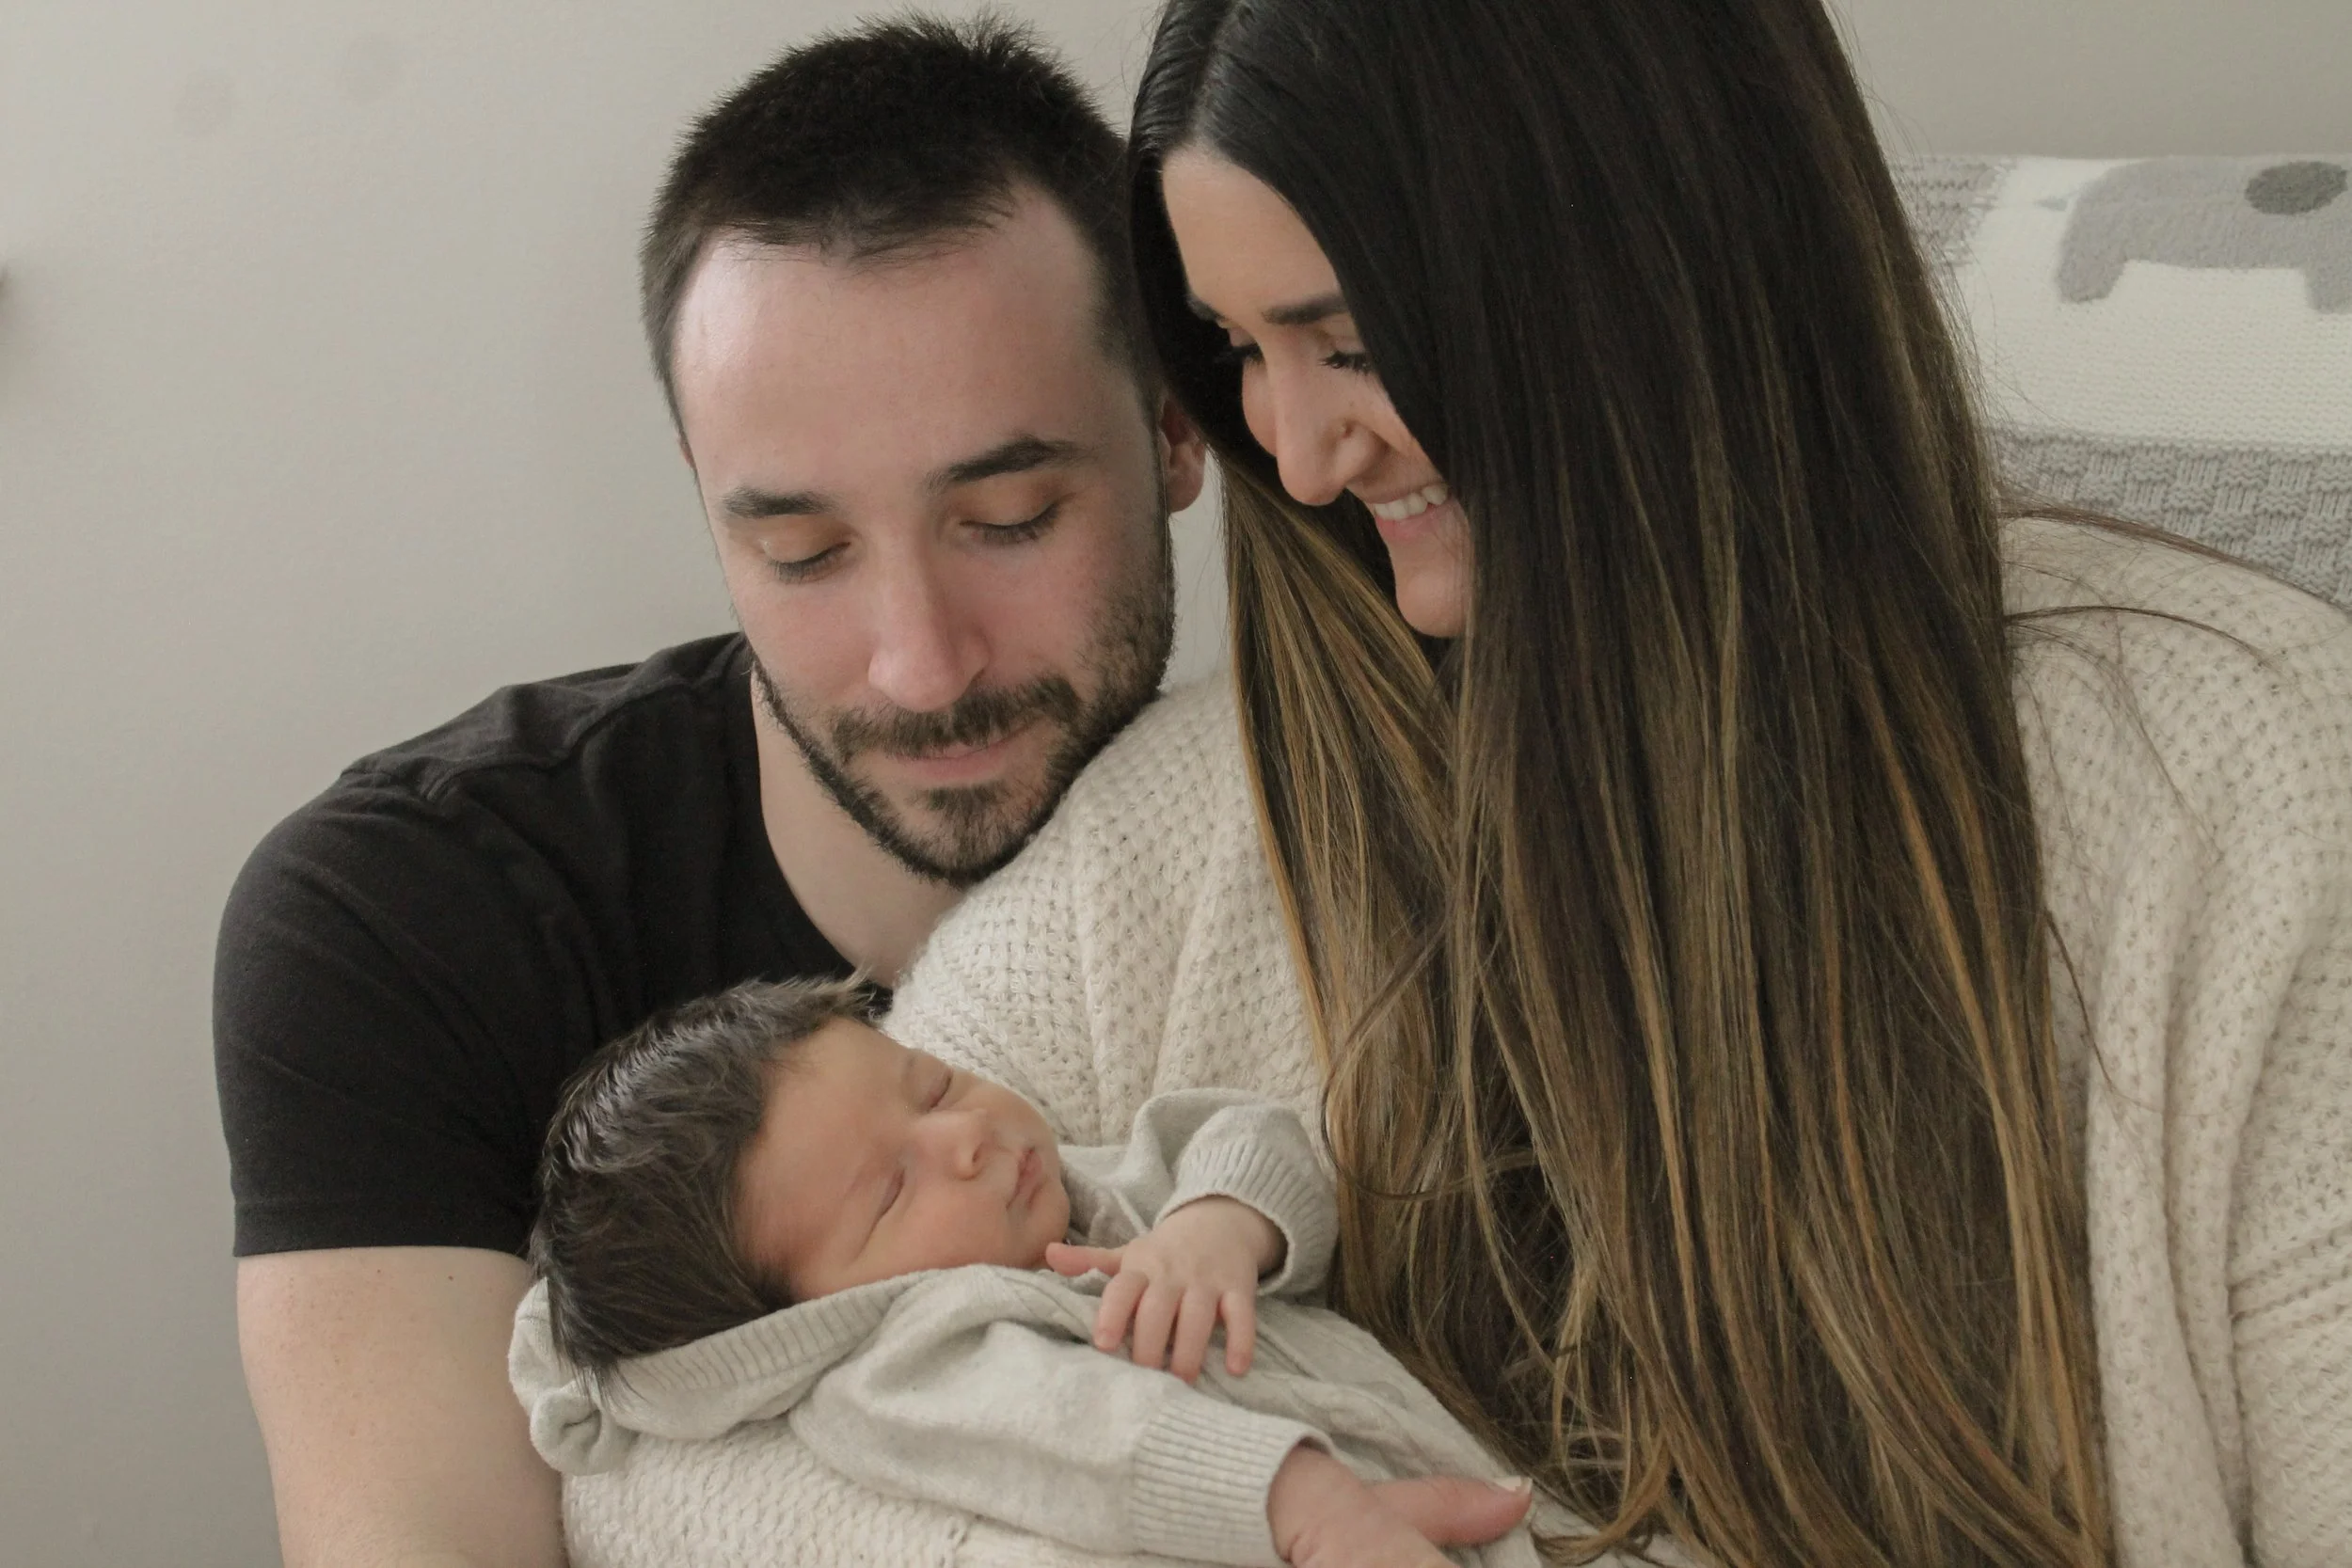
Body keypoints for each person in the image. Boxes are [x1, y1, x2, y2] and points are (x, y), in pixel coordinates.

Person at [1104, 2, 2351, 1566]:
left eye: (1350, 343)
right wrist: (1255, 1510)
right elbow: (721, 1412)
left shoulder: (2241, 776)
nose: (1293, 455)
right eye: (1238, 352)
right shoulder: (1214, 817)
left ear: (1636, 270)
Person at [213, 19, 1219, 1565]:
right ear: (704, 498)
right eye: (805, 552)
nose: (921, 663)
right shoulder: (405, 920)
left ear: (1173, 430)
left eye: (1009, 516)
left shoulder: (1343, 820)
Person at [506, 976, 1546, 1568]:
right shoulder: (904, 1366)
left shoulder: (1080, 1194)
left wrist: (1220, 1224)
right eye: (890, 1193)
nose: (963, 1135)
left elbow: (1247, 1131)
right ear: (807, 1320)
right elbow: (1091, 1437)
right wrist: (1306, 1506)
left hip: (1486, 1463)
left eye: (931, 1084)